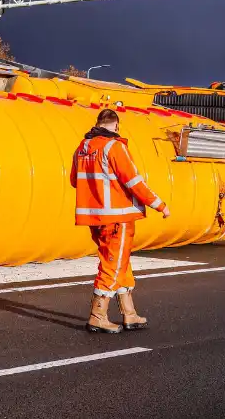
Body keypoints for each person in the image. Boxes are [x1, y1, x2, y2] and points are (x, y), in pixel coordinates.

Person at [70, 108, 170, 333]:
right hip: (118, 217)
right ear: (116, 126)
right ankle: (98, 315)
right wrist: (160, 205)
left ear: (97, 124)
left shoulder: (82, 148)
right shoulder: (115, 147)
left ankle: (129, 314)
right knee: (113, 266)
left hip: (95, 217)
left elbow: (74, 181)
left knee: (117, 262)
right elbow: (133, 181)